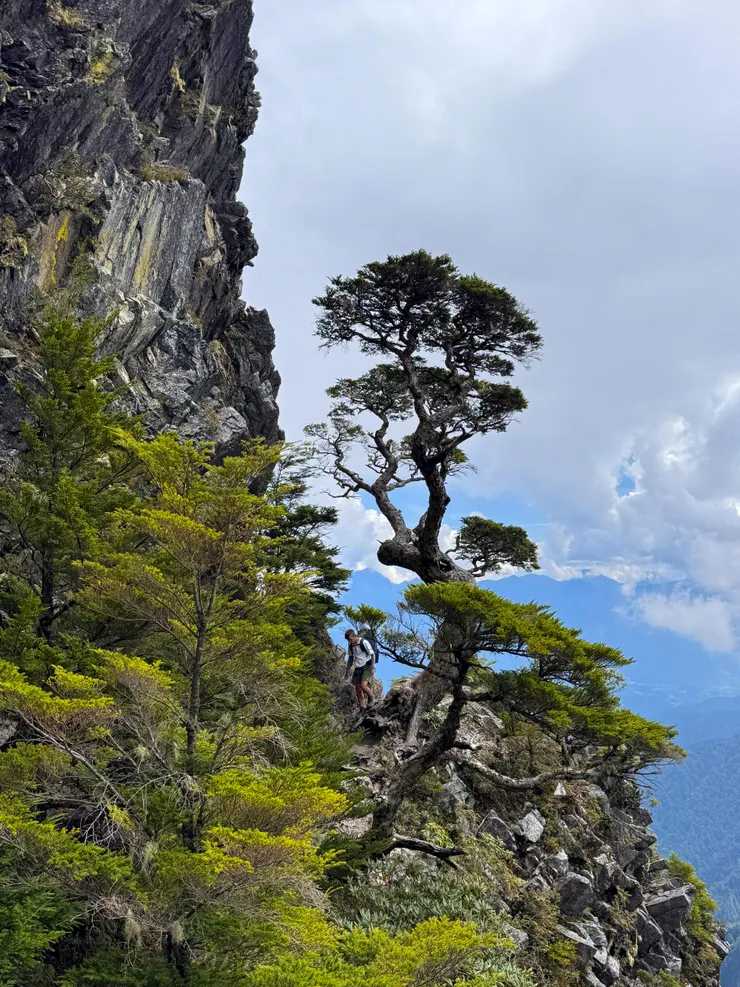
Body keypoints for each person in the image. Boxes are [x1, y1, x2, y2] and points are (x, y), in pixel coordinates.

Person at [344, 628, 375, 708]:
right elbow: (350, 658)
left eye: (350, 639)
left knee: (363, 686)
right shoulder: (351, 646)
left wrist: (372, 667)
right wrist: (347, 671)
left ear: (354, 636)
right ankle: (362, 708)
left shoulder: (363, 642)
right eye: (348, 640)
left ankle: (371, 697)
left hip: (366, 666)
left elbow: (372, 654)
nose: (349, 641)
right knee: (358, 690)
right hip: (357, 668)